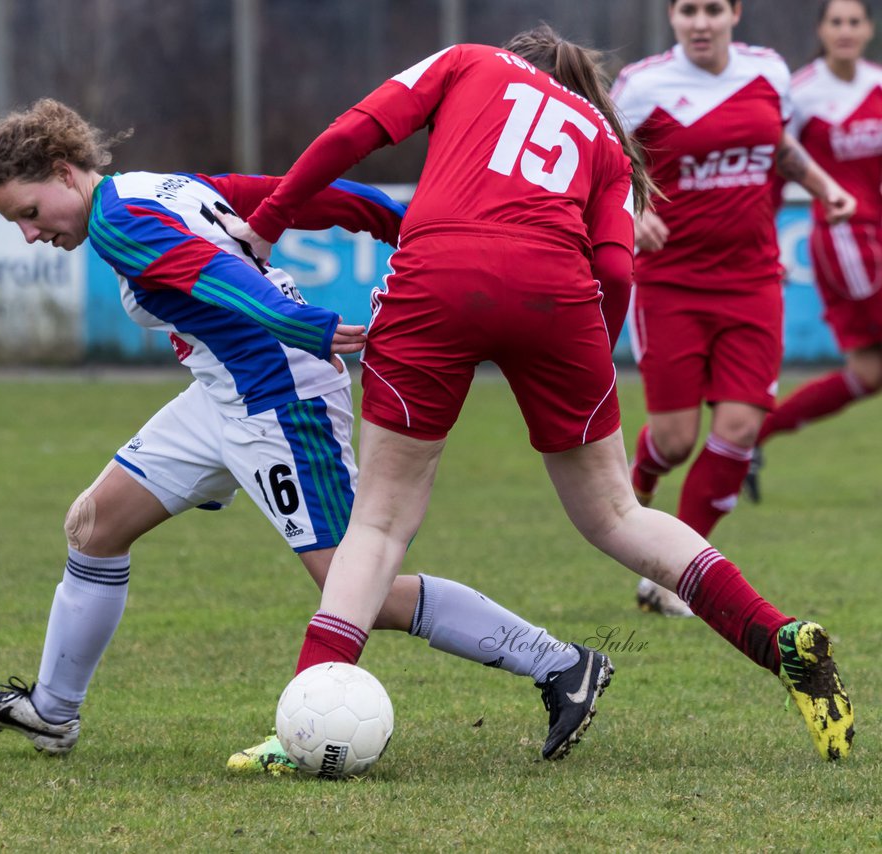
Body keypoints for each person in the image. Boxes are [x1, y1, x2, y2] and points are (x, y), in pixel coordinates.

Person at [228, 25, 854, 761]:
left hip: (438, 276)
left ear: (515, 57)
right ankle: (777, 641)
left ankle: (298, 723)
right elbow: (617, 274)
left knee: (380, 526)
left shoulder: (469, 61)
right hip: (558, 300)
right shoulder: (605, 141)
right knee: (617, 513)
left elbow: (356, 131)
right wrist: (592, 364)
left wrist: (266, 223)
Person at [0, 99, 616, 770]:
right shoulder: (156, 188)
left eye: (29, 214)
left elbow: (215, 274)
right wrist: (400, 222)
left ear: (66, 174)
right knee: (94, 526)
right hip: (223, 393)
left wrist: (304, 325)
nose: (31, 236)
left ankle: (559, 663)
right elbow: (293, 194)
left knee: (360, 586)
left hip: (278, 396)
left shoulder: (118, 221)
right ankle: (53, 711)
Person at [614, 0, 856, 615]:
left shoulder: (768, 73)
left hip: (752, 281)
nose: (701, 22)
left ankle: (676, 576)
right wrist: (633, 211)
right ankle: (634, 495)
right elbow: (605, 162)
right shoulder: (642, 86)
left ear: (734, 14)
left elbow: (776, 146)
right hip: (671, 285)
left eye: (713, 9)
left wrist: (826, 187)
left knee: (740, 430)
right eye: (688, 10)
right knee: (673, 439)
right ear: (672, 16)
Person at [744, 0, 882, 501]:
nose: (845, 30)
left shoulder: (877, 83)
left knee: (868, 375)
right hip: (846, 242)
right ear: (822, 30)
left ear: (869, 28)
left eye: (854, 21)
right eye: (836, 22)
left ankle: (748, 439)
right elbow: (775, 165)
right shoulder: (801, 94)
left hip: (879, 236)